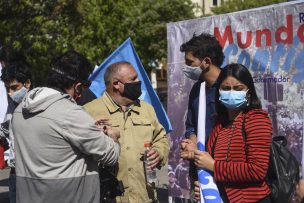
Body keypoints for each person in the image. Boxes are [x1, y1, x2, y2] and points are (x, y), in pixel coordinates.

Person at [12, 50, 120, 203]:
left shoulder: (20, 109)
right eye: (85, 86)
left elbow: (53, 141)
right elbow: (110, 155)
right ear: (77, 86)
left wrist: (89, 128)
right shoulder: (70, 113)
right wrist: (112, 137)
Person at [84, 61, 170, 203]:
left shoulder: (146, 109)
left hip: (145, 196)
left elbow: (161, 138)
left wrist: (158, 152)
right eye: (133, 79)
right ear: (117, 84)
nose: (138, 81)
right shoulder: (89, 112)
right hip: (109, 198)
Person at [190, 63, 272, 203]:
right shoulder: (220, 124)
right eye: (226, 88)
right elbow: (208, 162)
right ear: (219, 92)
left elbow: (257, 170)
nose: (231, 92)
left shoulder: (256, 119)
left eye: (238, 88)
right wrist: (205, 185)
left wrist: (214, 166)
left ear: (248, 91)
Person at [179, 33, 224, 194]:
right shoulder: (197, 89)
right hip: (200, 171)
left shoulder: (230, 86)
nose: (186, 67)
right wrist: (193, 145)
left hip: (223, 172)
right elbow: (191, 125)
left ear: (206, 62)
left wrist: (213, 163)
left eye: (189, 62)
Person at [0, 61, 33, 203]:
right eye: (8, 88)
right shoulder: (11, 106)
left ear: (27, 83)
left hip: (34, 173)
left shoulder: (39, 106)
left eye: (14, 88)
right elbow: (5, 129)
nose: (10, 93)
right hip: (15, 172)